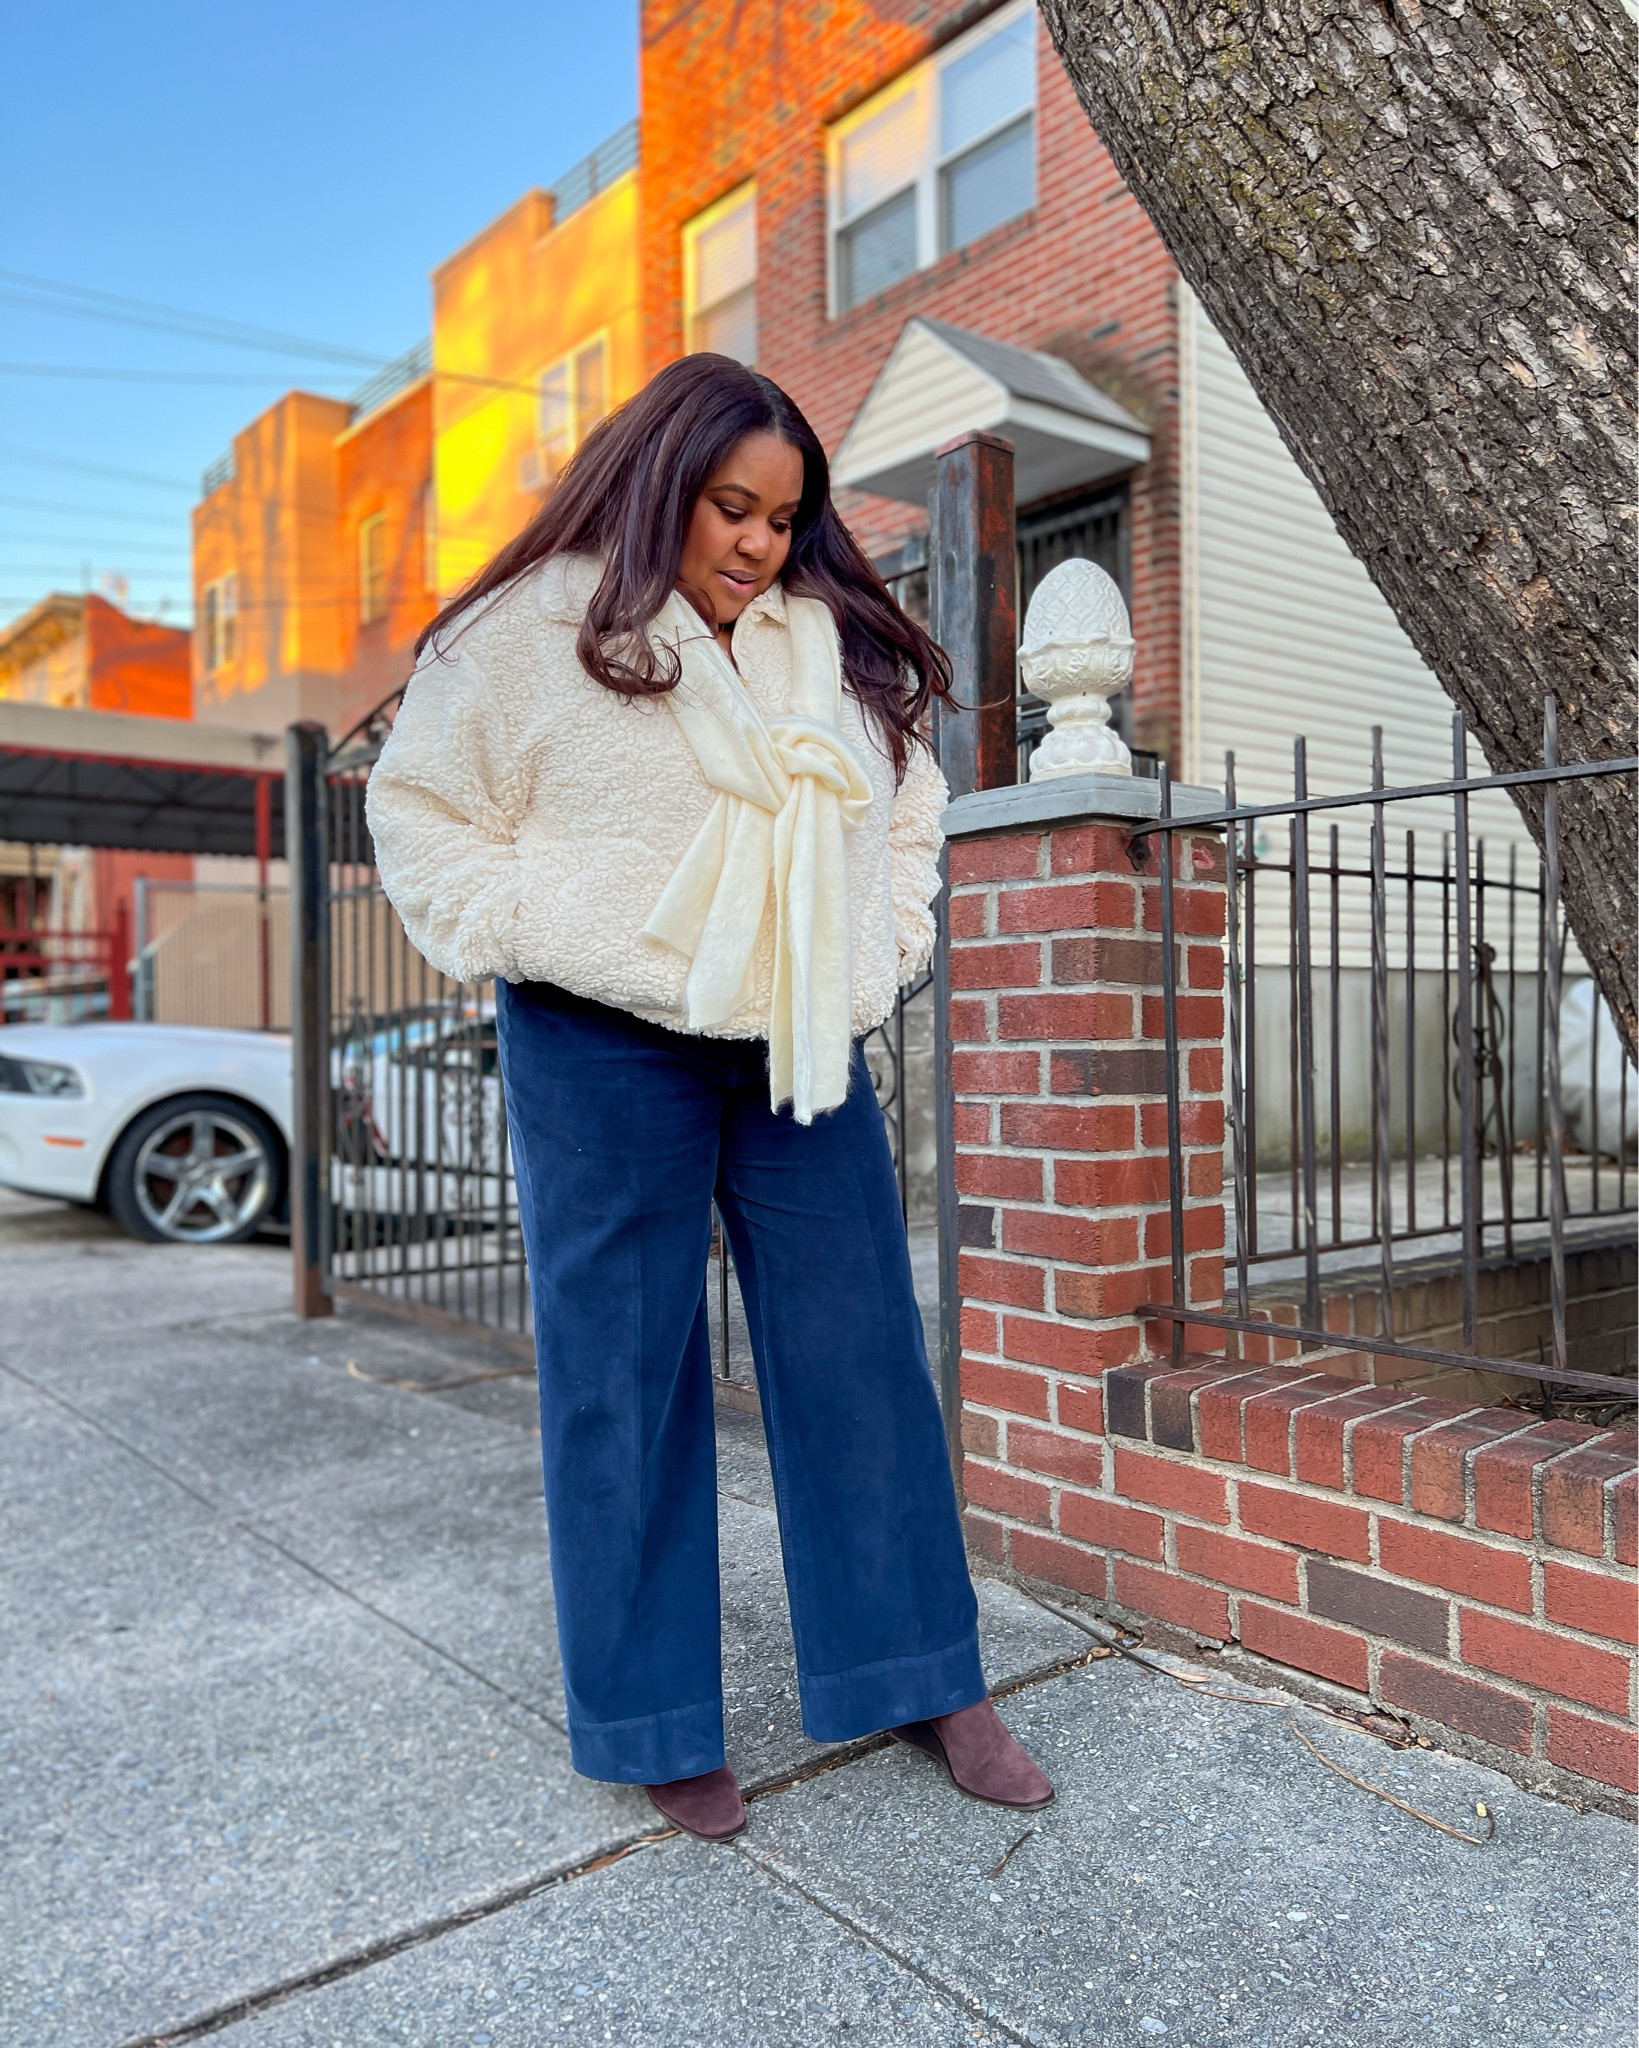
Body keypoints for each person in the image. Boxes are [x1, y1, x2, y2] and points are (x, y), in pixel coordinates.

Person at [366, 354, 1053, 1841]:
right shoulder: (527, 633)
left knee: (864, 1350)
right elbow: (418, 810)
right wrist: (531, 929)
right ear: (661, 483)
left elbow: (911, 806)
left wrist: (891, 946)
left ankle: (923, 1673)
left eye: (781, 517)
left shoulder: (831, 646)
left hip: (798, 1030)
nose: (754, 543)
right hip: (599, 1033)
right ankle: (652, 1714)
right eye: (729, 508)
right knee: (623, 1370)